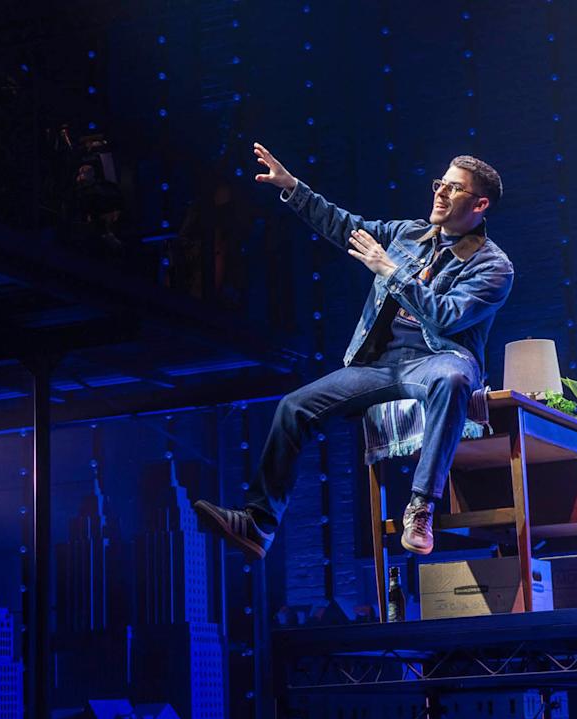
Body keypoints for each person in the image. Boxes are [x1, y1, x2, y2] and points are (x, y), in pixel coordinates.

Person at [195, 142, 513, 559]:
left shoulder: (493, 266)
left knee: (452, 380)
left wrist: (390, 271)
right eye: (440, 184)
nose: (439, 193)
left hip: (440, 358)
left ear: (480, 203)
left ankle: (421, 507)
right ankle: (259, 524)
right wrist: (292, 187)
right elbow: (344, 225)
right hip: (383, 366)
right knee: (294, 407)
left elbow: (448, 316)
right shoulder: (407, 234)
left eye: (453, 189)